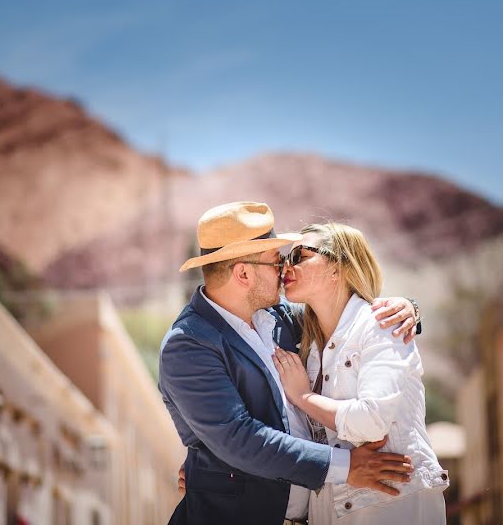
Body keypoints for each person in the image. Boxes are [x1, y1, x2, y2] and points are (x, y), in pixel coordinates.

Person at [160, 201, 421, 525]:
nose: (284, 270)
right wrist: (346, 466)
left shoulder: (281, 318)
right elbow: (240, 439)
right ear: (243, 273)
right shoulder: (188, 344)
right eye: (276, 261)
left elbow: (342, 315)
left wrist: (406, 308)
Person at [273, 222, 449, 524]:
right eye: (284, 259)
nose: (286, 266)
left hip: (393, 509)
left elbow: (370, 422)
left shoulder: (381, 326)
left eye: (299, 255)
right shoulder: (305, 344)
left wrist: (303, 396)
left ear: (338, 267)